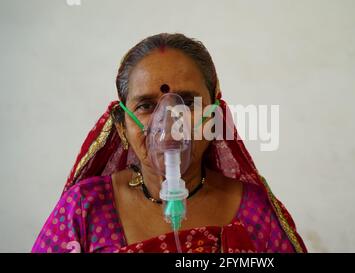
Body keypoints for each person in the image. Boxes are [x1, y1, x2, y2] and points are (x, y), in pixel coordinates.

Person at [32, 33, 307, 253]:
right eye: (147, 105)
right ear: (121, 124)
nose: (168, 120)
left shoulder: (255, 213)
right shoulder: (83, 209)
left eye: (187, 102)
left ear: (214, 117)